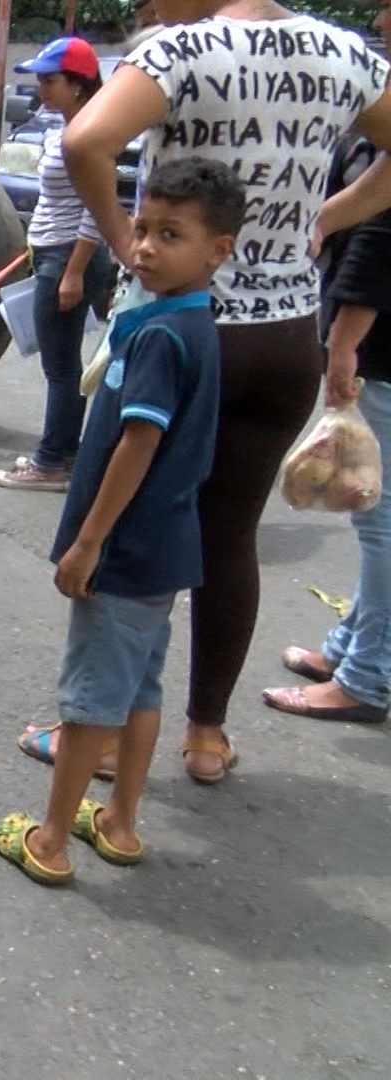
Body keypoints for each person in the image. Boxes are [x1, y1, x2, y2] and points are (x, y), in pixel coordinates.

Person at [58, 0, 391, 784]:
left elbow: (85, 140)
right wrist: (326, 215)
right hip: (286, 334)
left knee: (132, 525)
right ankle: (206, 735)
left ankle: (102, 734)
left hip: (183, 326)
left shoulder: (185, 49)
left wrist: (122, 240)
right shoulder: (346, 54)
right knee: (230, 534)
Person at [0, 158, 244, 886]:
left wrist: (88, 542)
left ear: (217, 248)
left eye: (171, 234)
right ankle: (120, 822)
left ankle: (48, 842)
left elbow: (138, 444)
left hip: (125, 551)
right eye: (141, 228)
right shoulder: (191, 318)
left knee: (89, 703)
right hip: (166, 549)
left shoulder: (161, 336)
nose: (145, 247)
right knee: (139, 692)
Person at [263, 0, 391, 725]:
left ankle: (365, 677)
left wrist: (344, 341)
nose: (377, 22)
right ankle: (350, 648)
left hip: (383, 345)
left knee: (379, 521)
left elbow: (384, 238)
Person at [0, 37, 112, 493]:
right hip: (54, 251)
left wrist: (74, 270)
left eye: (50, 79)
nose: (41, 88)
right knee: (62, 364)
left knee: (61, 368)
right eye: (39, 79)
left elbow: (94, 208)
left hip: (68, 255)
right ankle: (66, 452)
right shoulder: (67, 127)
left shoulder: (90, 132)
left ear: (79, 84)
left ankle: (50, 463)